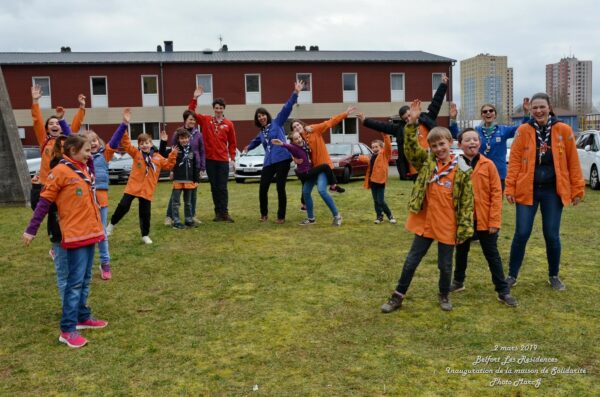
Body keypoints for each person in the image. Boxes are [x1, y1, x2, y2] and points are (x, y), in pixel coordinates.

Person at [380, 99, 474, 313]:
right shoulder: (426, 162)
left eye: (442, 144)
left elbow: (467, 202)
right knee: (411, 260)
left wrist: (465, 229)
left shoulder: (462, 169)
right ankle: (398, 296)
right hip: (426, 220)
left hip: (447, 223)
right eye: (434, 145)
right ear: (430, 147)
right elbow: (410, 148)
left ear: (450, 143)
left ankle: (443, 294)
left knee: (445, 265)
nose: (439, 148)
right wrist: (412, 124)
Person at [23, 134, 108, 348]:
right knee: (74, 282)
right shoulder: (60, 171)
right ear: (72, 151)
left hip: (91, 232)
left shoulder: (85, 168)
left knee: (86, 278)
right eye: (87, 151)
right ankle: (67, 329)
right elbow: (44, 203)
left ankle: (82, 317)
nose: (90, 154)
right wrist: (31, 230)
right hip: (75, 234)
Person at [504, 93, 584, 291]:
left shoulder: (563, 130)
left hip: (552, 191)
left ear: (549, 107)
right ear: (530, 110)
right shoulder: (523, 130)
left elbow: (573, 162)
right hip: (527, 188)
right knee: (521, 233)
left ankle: (553, 275)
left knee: (551, 235)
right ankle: (512, 275)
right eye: (535, 108)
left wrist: (577, 189)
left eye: (542, 107)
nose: (538, 111)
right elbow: (514, 161)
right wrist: (510, 187)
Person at [450, 128, 517, 307]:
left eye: (475, 139)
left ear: (479, 143)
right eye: (467, 140)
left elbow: (496, 194)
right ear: (460, 144)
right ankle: (458, 282)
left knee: (492, 255)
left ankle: (503, 290)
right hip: (463, 219)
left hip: (485, 220)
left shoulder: (488, 165)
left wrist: (494, 221)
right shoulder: (455, 165)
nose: (472, 142)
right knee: (461, 252)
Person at [106, 109, 178, 244]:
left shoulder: (157, 157)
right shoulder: (136, 154)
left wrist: (173, 154)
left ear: (151, 143)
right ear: (139, 145)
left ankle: (145, 235)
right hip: (133, 186)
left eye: (147, 142)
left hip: (147, 189)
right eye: (141, 143)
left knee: (145, 213)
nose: (144, 145)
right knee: (123, 206)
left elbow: (168, 165)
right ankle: (110, 226)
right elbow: (126, 143)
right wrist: (125, 125)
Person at [359, 74, 450, 180]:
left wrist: (443, 85)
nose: (408, 119)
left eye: (409, 116)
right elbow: (382, 126)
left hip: (433, 162)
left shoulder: (427, 119)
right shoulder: (401, 129)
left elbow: (436, 103)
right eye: (405, 119)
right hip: (416, 169)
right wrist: (365, 121)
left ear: (413, 112)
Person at [243, 81, 304, 224]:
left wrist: (295, 93)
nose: (261, 118)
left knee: (280, 187)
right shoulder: (261, 132)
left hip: (282, 159)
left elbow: (287, 108)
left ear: (267, 116)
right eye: (259, 117)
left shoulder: (277, 122)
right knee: (263, 187)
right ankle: (263, 214)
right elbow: (255, 141)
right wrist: (248, 147)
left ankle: (281, 217)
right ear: (257, 120)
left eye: (263, 115)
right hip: (269, 161)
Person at [291, 106, 357, 226]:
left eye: (298, 125)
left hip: (323, 167)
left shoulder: (313, 129)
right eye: (294, 127)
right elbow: (294, 152)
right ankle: (311, 219)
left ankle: (337, 216)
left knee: (321, 190)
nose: (297, 127)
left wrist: (345, 114)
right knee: (306, 192)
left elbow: (329, 123)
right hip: (311, 170)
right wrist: (294, 158)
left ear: (301, 124)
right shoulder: (298, 140)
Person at [80, 122, 128, 280]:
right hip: (85, 199)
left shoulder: (104, 154)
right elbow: (70, 139)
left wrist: (124, 124)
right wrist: (61, 122)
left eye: (94, 140)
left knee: (101, 232)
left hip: (101, 198)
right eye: (88, 141)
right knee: (85, 232)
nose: (93, 143)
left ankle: (105, 263)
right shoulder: (81, 159)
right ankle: (83, 264)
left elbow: (114, 141)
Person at [449, 98, 530, 189]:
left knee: (496, 200)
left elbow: (522, 129)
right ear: (482, 115)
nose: (488, 113)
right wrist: (453, 119)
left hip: (499, 173)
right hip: (480, 171)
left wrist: (526, 113)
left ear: (495, 114)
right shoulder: (476, 131)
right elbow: (458, 135)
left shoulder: (504, 130)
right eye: (485, 111)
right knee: (479, 199)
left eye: (491, 111)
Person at [188, 88, 237, 222]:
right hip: (209, 159)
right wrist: (195, 98)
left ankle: (225, 213)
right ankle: (217, 213)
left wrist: (232, 158)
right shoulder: (206, 120)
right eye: (216, 107)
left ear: (223, 109)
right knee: (214, 187)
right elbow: (191, 112)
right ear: (213, 108)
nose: (218, 110)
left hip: (222, 160)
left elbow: (232, 143)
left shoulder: (229, 124)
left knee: (222, 187)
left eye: (221, 108)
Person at [163, 110, 205, 226]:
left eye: (194, 119)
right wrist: (171, 170)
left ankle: (191, 217)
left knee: (191, 196)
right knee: (175, 196)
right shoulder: (178, 133)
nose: (193, 121)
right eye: (190, 119)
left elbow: (202, 151)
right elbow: (172, 153)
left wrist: (201, 168)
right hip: (179, 172)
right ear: (185, 120)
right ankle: (170, 216)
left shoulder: (198, 134)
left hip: (193, 169)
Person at [355, 132, 396, 224]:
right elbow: (368, 160)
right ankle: (379, 216)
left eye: (376, 147)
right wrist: (360, 157)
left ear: (381, 147)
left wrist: (385, 134)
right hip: (372, 182)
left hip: (380, 182)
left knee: (381, 201)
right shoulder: (373, 156)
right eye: (373, 147)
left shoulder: (384, 154)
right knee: (376, 201)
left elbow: (388, 145)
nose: (374, 149)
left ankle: (390, 215)